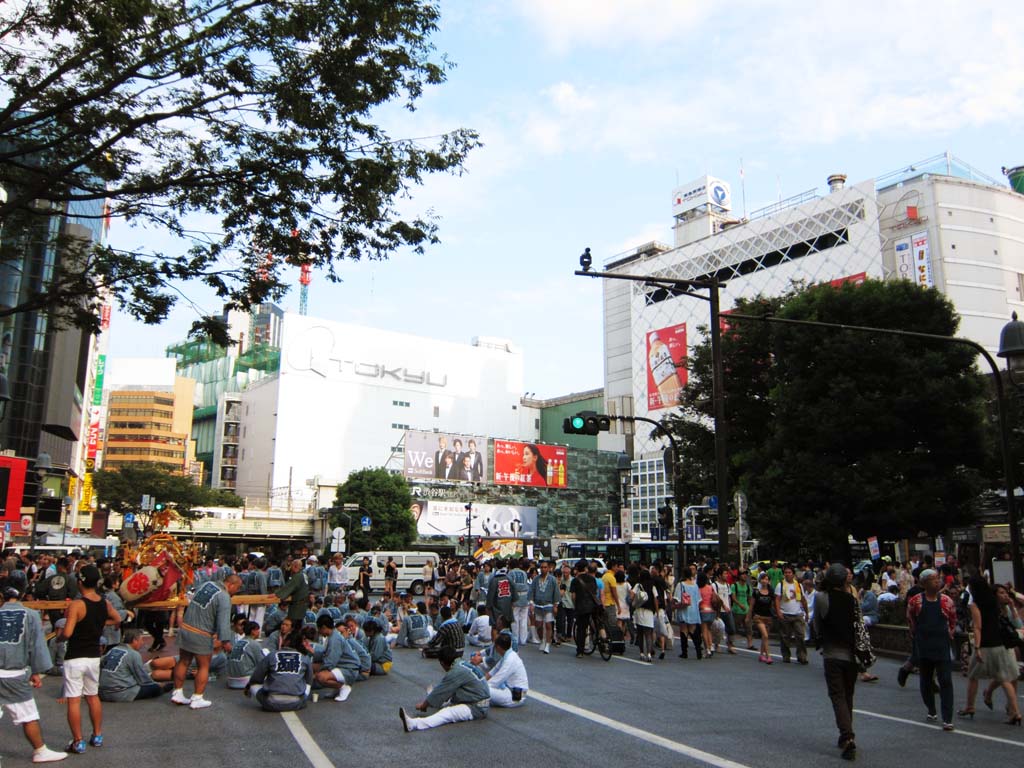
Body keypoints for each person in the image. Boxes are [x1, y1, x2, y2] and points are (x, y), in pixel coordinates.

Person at [0, 586, 68, 764]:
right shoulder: (30, 615)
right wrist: (37, 671)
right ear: (22, 595)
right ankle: (40, 750)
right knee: (28, 715)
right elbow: (36, 646)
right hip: (14, 673)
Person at [60, 564, 121, 753]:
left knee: (74, 700)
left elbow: (68, 632)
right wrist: (102, 622)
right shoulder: (104, 602)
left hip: (75, 656)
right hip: (94, 655)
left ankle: (78, 741)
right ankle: (97, 735)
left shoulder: (77, 605)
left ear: (80, 582)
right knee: (93, 696)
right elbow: (118, 618)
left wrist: (59, 636)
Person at [172, 574, 241, 709]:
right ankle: (198, 697)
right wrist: (226, 641)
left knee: (183, 661)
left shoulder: (205, 585)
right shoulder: (224, 596)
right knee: (204, 666)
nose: (236, 591)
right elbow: (223, 622)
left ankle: (177, 692)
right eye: (237, 588)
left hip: (186, 627)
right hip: (201, 633)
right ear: (231, 585)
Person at [959, 576, 1022, 724]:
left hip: (986, 644)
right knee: (1005, 678)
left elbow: (977, 627)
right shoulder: (995, 603)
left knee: (973, 676)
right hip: (1000, 643)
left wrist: (977, 647)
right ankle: (1016, 712)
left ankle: (970, 706)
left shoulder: (975, 604)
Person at [814, 564, 859, 761]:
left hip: (832, 652)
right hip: (852, 654)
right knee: (847, 695)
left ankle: (847, 736)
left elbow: (816, 623)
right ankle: (846, 732)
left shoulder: (822, 598)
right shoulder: (851, 599)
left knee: (837, 695)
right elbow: (859, 626)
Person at [906, 569, 956, 730]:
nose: (937, 581)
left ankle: (947, 717)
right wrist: (916, 637)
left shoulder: (947, 601)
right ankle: (931, 708)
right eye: (933, 579)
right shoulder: (915, 602)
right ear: (924, 583)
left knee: (946, 681)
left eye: (937, 578)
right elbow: (911, 621)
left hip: (942, 645)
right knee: (926, 680)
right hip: (924, 645)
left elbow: (953, 620)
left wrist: (950, 633)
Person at [399, 646, 490, 731]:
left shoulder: (455, 671)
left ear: (442, 663)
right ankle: (433, 700)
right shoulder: (462, 663)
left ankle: (414, 724)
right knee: (446, 699)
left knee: (447, 713)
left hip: (477, 707)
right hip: (477, 700)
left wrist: (424, 705)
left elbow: (441, 691)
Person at [246, 626, 316, 712]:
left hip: (270, 703)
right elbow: (309, 681)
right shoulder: (305, 658)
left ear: (287, 641)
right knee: (307, 683)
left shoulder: (271, 655)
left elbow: (256, 678)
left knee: (253, 684)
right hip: (297, 702)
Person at [98, 629, 173, 702]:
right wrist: (158, 684)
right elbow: (143, 679)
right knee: (156, 688)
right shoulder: (133, 654)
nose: (142, 642)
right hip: (120, 693)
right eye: (141, 640)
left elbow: (101, 663)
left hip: (102, 692)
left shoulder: (113, 650)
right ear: (134, 640)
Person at [312, 616, 357, 701]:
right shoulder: (333, 635)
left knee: (320, 677)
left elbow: (330, 662)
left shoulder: (335, 639)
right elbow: (326, 655)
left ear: (324, 627)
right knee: (312, 666)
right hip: (342, 665)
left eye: (320, 629)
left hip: (348, 669)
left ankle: (343, 687)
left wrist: (317, 673)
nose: (320, 632)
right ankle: (337, 689)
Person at [775, 565, 809, 665]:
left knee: (800, 635)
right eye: (786, 572)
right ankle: (786, 655)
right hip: (785, 613)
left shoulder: (798, 585)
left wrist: (806, 613)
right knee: (785, 637)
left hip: (797, 613)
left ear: (793, 574)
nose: (787, 574)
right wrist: (779, 612)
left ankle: (802, 656)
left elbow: (803, 599)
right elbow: (777, 599)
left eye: (789, 572)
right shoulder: (780, 585)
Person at [484, 633, 528, 707]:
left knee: (485, 690)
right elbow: (492, 672)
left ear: (498, 647)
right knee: (483, 688)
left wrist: (479, 686)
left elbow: (496, 681)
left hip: (515, 696)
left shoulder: (510, 659)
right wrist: (480, 681)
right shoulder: (507, 656)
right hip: (509, 690)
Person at [569, 560, 599, 657]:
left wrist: (575, 605)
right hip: (593, 606)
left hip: (581, 607)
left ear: (577, 569)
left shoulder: (575, 580)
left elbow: (573, 596)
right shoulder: (592, 579)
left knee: (581, 629)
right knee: (598, 623)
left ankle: (580, 651)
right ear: (586, 568)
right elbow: (595, 592)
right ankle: (603, 640)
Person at [529, 559, 559, 654]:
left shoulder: (552, 579)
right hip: (538, 605)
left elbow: (556, 593)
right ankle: (542, 639)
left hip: (548, 605)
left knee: (548, 625)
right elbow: (531, 591)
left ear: (548, 568)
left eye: (545, 567)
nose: (543, 569)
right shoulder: (536, 579)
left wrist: (555, 605)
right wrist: (531, 603)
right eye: (541, 567)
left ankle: (548, 644)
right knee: (538, 625)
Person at [225, 622, 267, 689]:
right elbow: (262, 663)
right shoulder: (255, 644)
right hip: (245, 678)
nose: (259, 632)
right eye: (258, 630)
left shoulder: (238, 642)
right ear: (253, 631)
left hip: (231, 679)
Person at [673, 569, 702, 659]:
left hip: (684, 609)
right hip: (694, 610)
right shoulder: (695, 585)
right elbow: (699, 599)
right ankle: (698, 650)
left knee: (684, 629)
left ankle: (684, 652)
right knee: (693, 629)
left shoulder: (680, 584)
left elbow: (677, 598)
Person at [275, 558, 310, 624]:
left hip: (297, 604)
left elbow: (289, 587)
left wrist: (277, 594)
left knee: (294, 623)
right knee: (299, 623)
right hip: (303, 603)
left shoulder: (298, 576)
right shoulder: (304, 574)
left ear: (295, 566)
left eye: (292, 566)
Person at [751, 571, 775, 664]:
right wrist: (749, 617)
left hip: (768, 617)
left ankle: (761, 655)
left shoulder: (771, 592)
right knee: (765, 635)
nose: (765, 581)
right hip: (758, 617)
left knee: (765, 638)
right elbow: (752, 605)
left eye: (766, 579)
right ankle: (768, 655)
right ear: (760, 580)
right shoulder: (756, 592)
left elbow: (772, 605)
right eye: (763, 579)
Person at [730, 569, 754, 650]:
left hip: (746, 610)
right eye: (743, 574)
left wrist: (750, 609)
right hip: (737, 610)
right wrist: (740, 605)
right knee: (734, 628)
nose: (745, 576)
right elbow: (733, 597)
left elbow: (750, 599)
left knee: (748, 628)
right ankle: (731, 643)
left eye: (745, 574)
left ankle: (750, 644)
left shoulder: (748, 587)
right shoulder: (734, 586)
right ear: (739, 576)